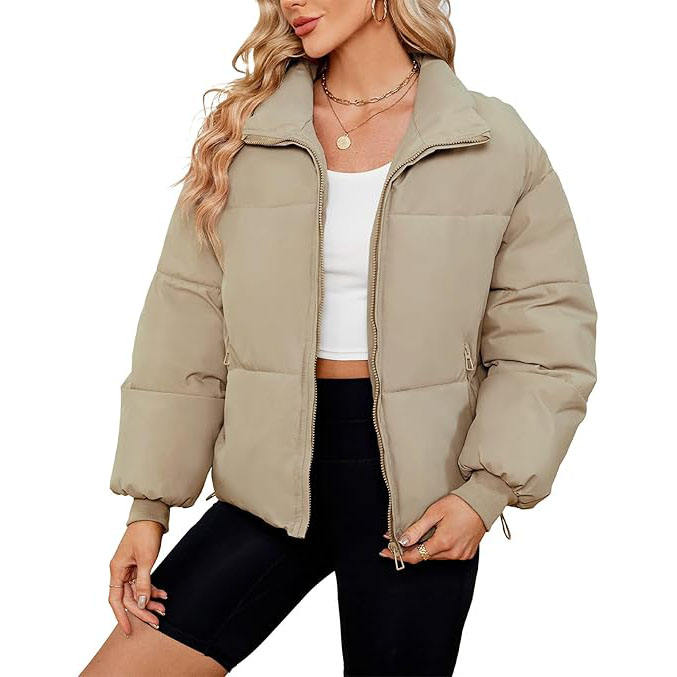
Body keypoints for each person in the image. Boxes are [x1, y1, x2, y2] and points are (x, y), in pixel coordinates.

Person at [82, 1, 597, 675]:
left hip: (418, 501)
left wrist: (484, 496)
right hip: (266, 480)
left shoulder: (489, 140)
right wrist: (147, 510)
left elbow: (545, 338)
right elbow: (184, 327)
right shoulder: (246, 134)